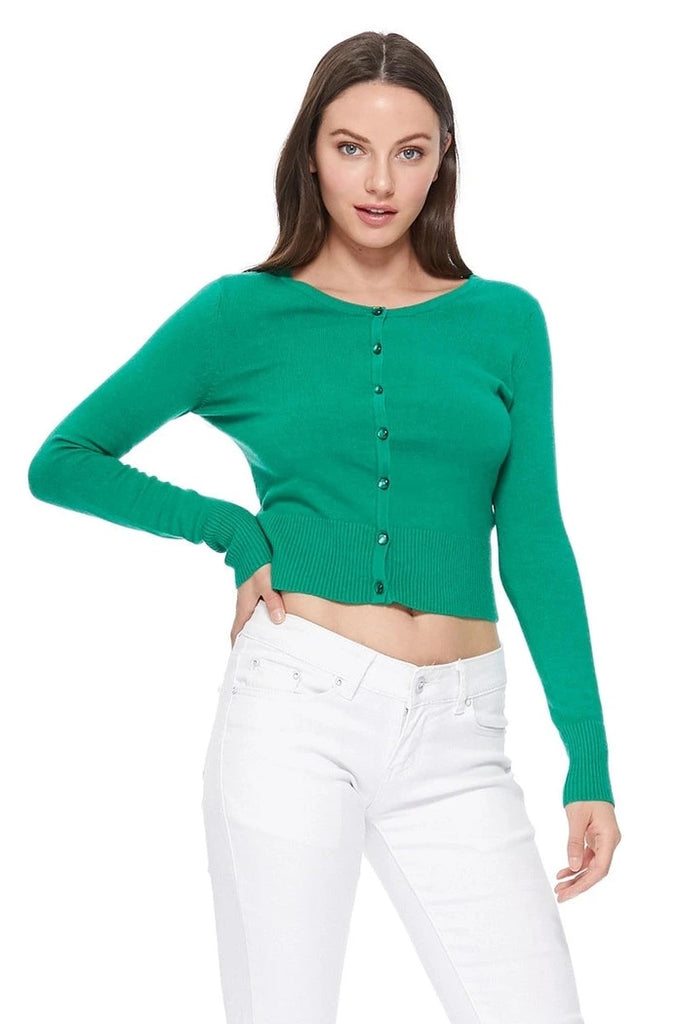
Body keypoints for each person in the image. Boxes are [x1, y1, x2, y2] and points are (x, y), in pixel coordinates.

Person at [27, 29, 621, 1024]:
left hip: (461, 728)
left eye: (409, 151)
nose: (379, 182)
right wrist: (232, 530)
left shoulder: (505, 320)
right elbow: (64, 459)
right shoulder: (239, 314)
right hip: (295, 708)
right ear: (310, 153)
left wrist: (588, 762)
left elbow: (534, 543)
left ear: (443, 158)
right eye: (351, 148)